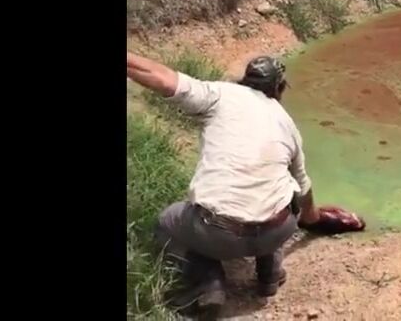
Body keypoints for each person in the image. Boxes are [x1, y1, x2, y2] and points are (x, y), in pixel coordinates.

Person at [126, 51, 321, 314]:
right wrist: (313, 219)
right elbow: (304, 187)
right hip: (277, 231)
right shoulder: (287, 124)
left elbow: (161, 77)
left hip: (218, 234)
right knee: (284, 191)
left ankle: (207, 283)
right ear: (279, 88)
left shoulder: (219, 95)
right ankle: (269, 275)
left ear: (245, 79)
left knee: (167, 223)